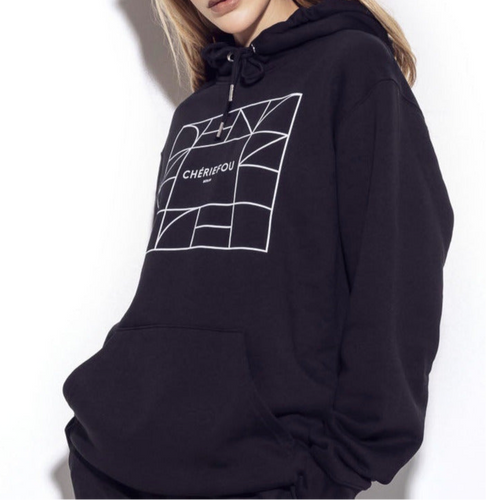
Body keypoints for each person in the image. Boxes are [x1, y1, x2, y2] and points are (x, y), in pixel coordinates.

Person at [61, 0, 455, 499]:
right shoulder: (195, 113)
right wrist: (96, 432)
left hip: (270, 477)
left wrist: (336, 473)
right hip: (123, 471)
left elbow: (399, 280)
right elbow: (170, 292)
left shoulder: (353, 68)